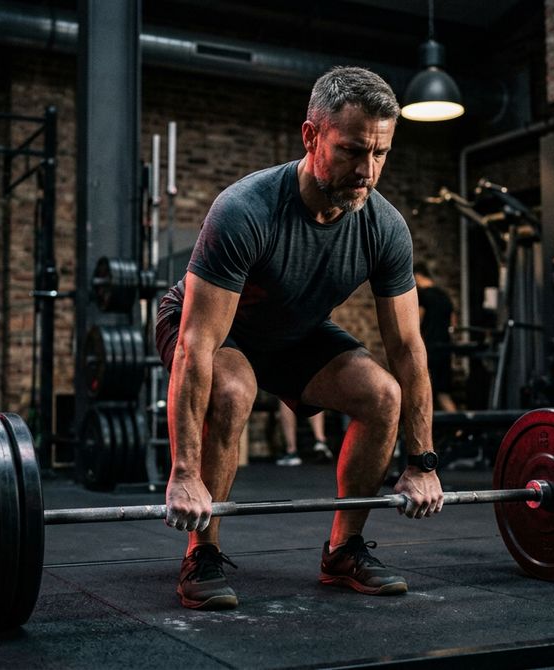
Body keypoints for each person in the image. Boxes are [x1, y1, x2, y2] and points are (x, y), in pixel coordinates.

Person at [155, 66, 444, 611]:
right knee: (233, 389)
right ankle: (202, 553)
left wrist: (421, 462)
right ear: (311, 136)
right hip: (209, 325)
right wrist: (185, 474)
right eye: (353, 151)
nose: (367, 170)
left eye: (380, 154)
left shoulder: (384, 227)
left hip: (292, 330)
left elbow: (408, 349)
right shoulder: (246, 209)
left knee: (382, 395)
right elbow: (197, 345)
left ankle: (343, 550)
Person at [413, 263, 458, 412]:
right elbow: (453, 322)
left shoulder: (423, 296)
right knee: (443, 392)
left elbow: (415, 323)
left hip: (429, 348)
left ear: (417, 276)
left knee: (424, 392)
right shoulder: (444, 296)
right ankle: (459, 430)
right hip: (445, 347)